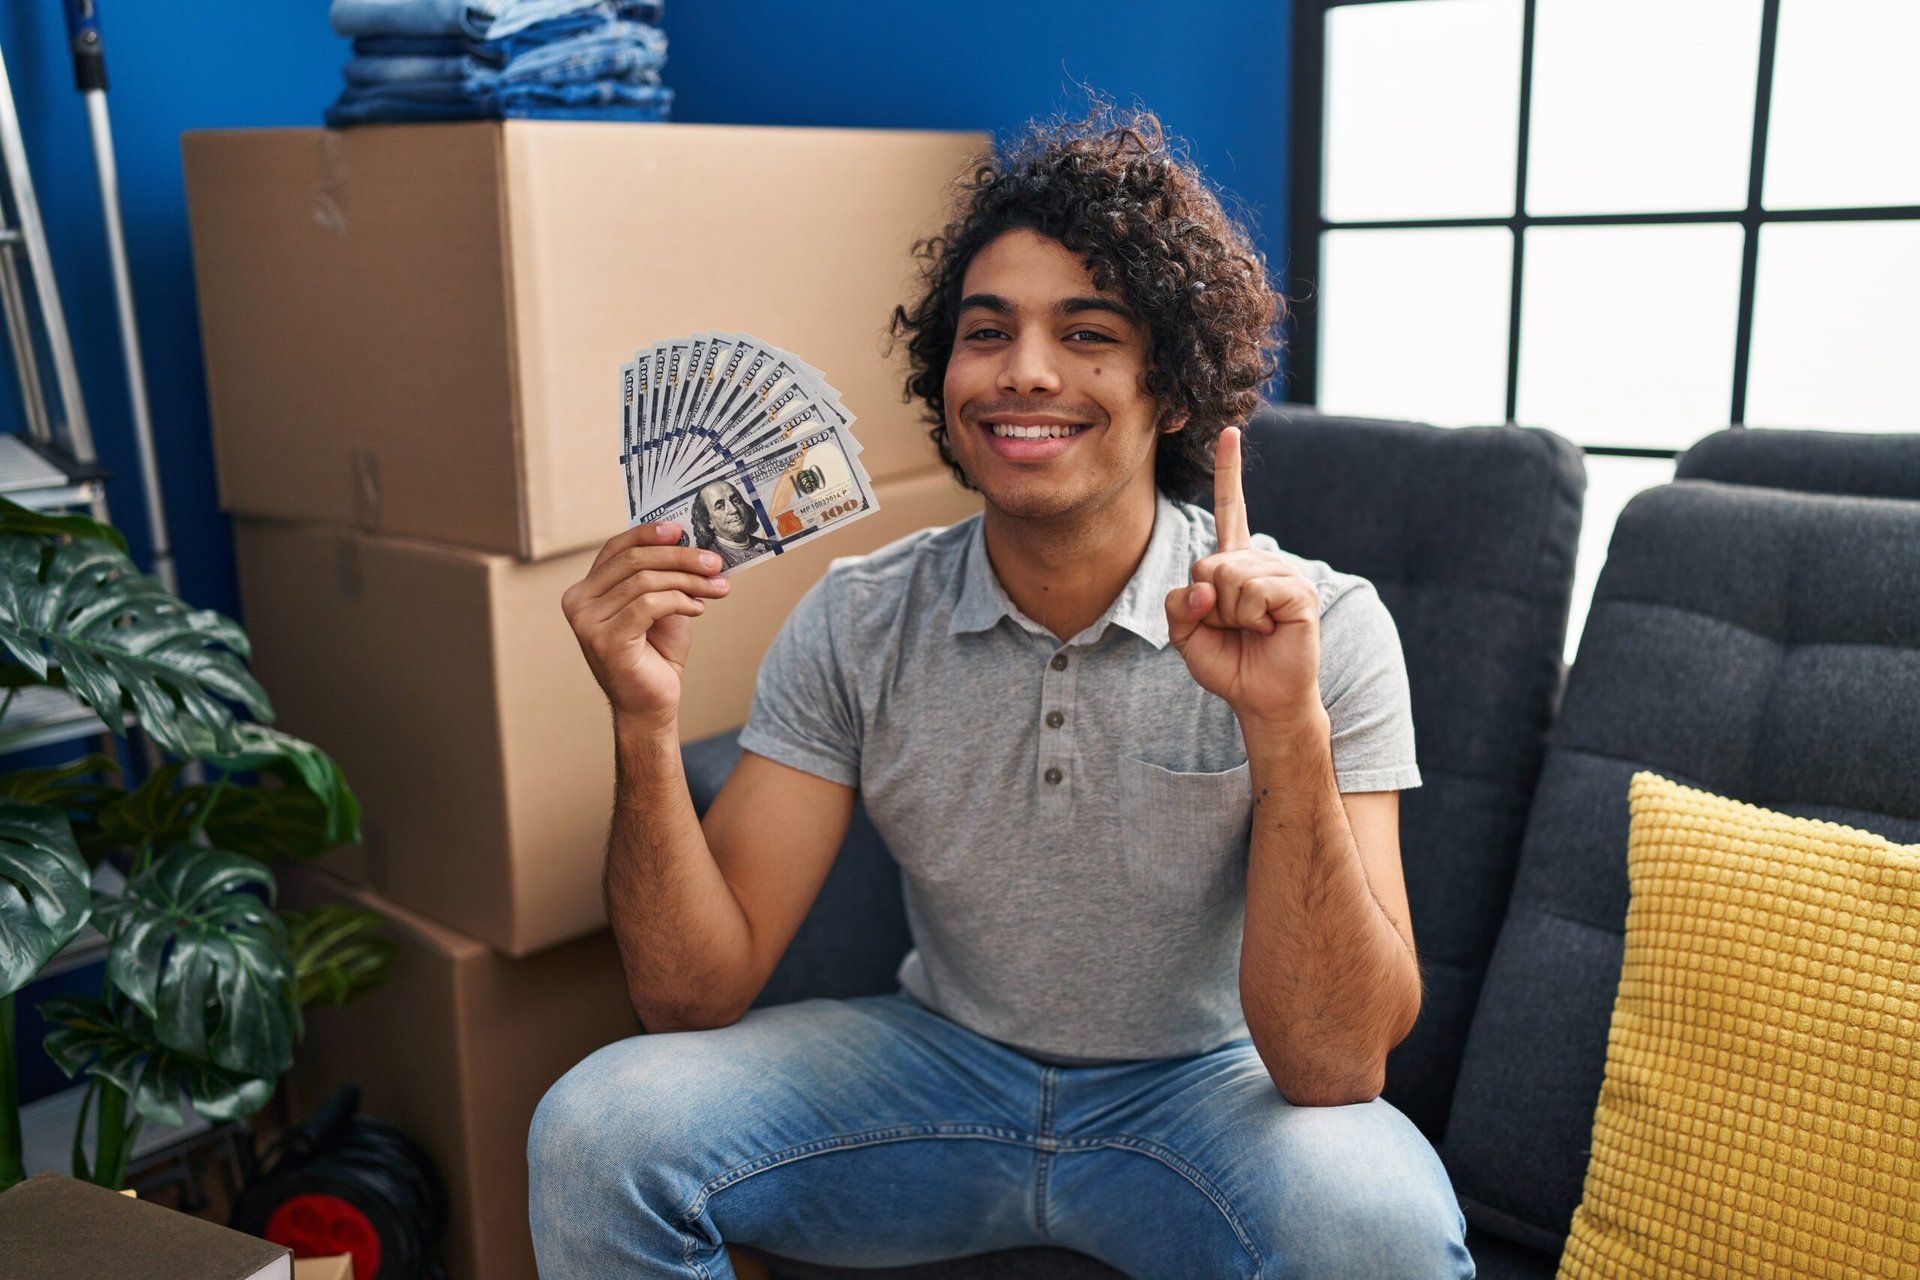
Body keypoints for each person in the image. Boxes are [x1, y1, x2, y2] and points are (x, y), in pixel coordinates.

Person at [538, 104, 1473, 1278]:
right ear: (950, 386)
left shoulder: (1325, 625)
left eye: (1088, 333)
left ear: (1171, 389)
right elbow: (689, 993)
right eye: (988, 333)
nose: (1026, 369)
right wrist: (643, 718)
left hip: (1208, 1097)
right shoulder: (858, 615)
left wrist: (1283, 727)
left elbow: (1336, 1068)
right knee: (596, 1127)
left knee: (1377, 1226)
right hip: (935, 1070)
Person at [689, 478, 772, 570]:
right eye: (720, 507)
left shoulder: (772, 545)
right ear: (709, 521)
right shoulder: (709, 563)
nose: (734, 509)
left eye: (736, 501)